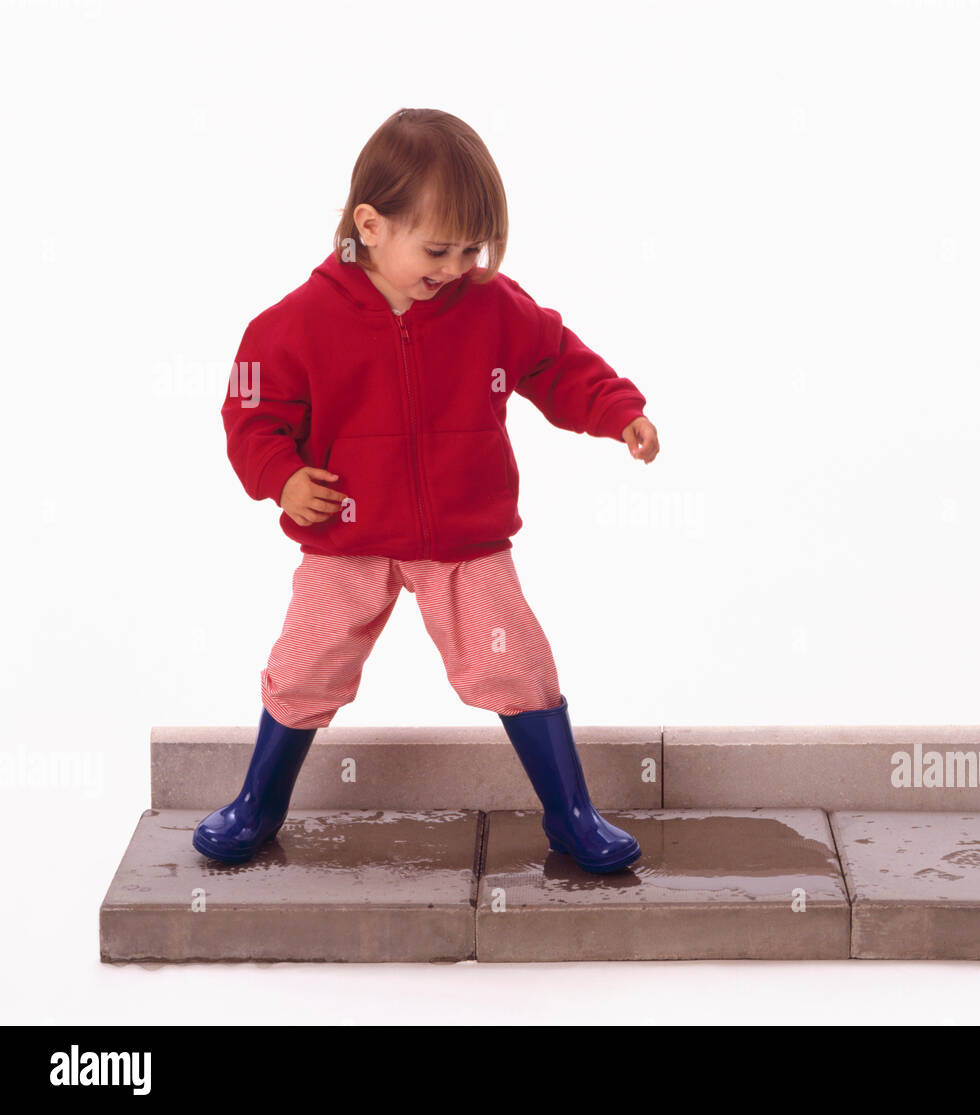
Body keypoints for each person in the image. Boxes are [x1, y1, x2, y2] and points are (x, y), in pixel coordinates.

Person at [193, 108, 659, 874]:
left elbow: (554, 362)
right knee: (306, 665)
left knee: (520, 665)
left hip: (464, 541)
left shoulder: (489, 304)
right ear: (370, 225)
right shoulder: (295, 324)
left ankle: (571, 815)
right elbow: (251, 411)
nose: (456, 266)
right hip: (347, 535)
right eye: (437, 248)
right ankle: (259, 803)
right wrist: (282, 477)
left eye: (472, 248)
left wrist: (618, 411)